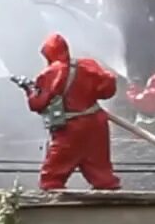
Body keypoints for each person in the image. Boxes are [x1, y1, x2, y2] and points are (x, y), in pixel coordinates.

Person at [18, 33, 122, 191]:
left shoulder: (50, 73)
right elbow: (107, 90)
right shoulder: (89, 64)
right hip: (97, 123)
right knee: (101, 172)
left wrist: (29, 90)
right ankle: (114, 204)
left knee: (52, 177)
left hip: (71, 128)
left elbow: (37, 104)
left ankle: (54, 209)